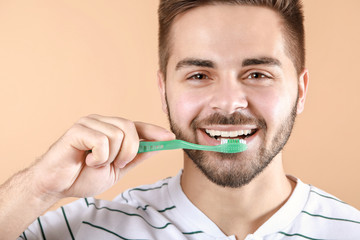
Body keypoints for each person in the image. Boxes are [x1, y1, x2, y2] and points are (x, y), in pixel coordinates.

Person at [1, 0, 359, 239]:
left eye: (257, 74)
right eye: (200, 76)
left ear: (301, 90)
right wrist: (38, 188)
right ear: (163, 91)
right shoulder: (81, 229)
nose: (230, 103)